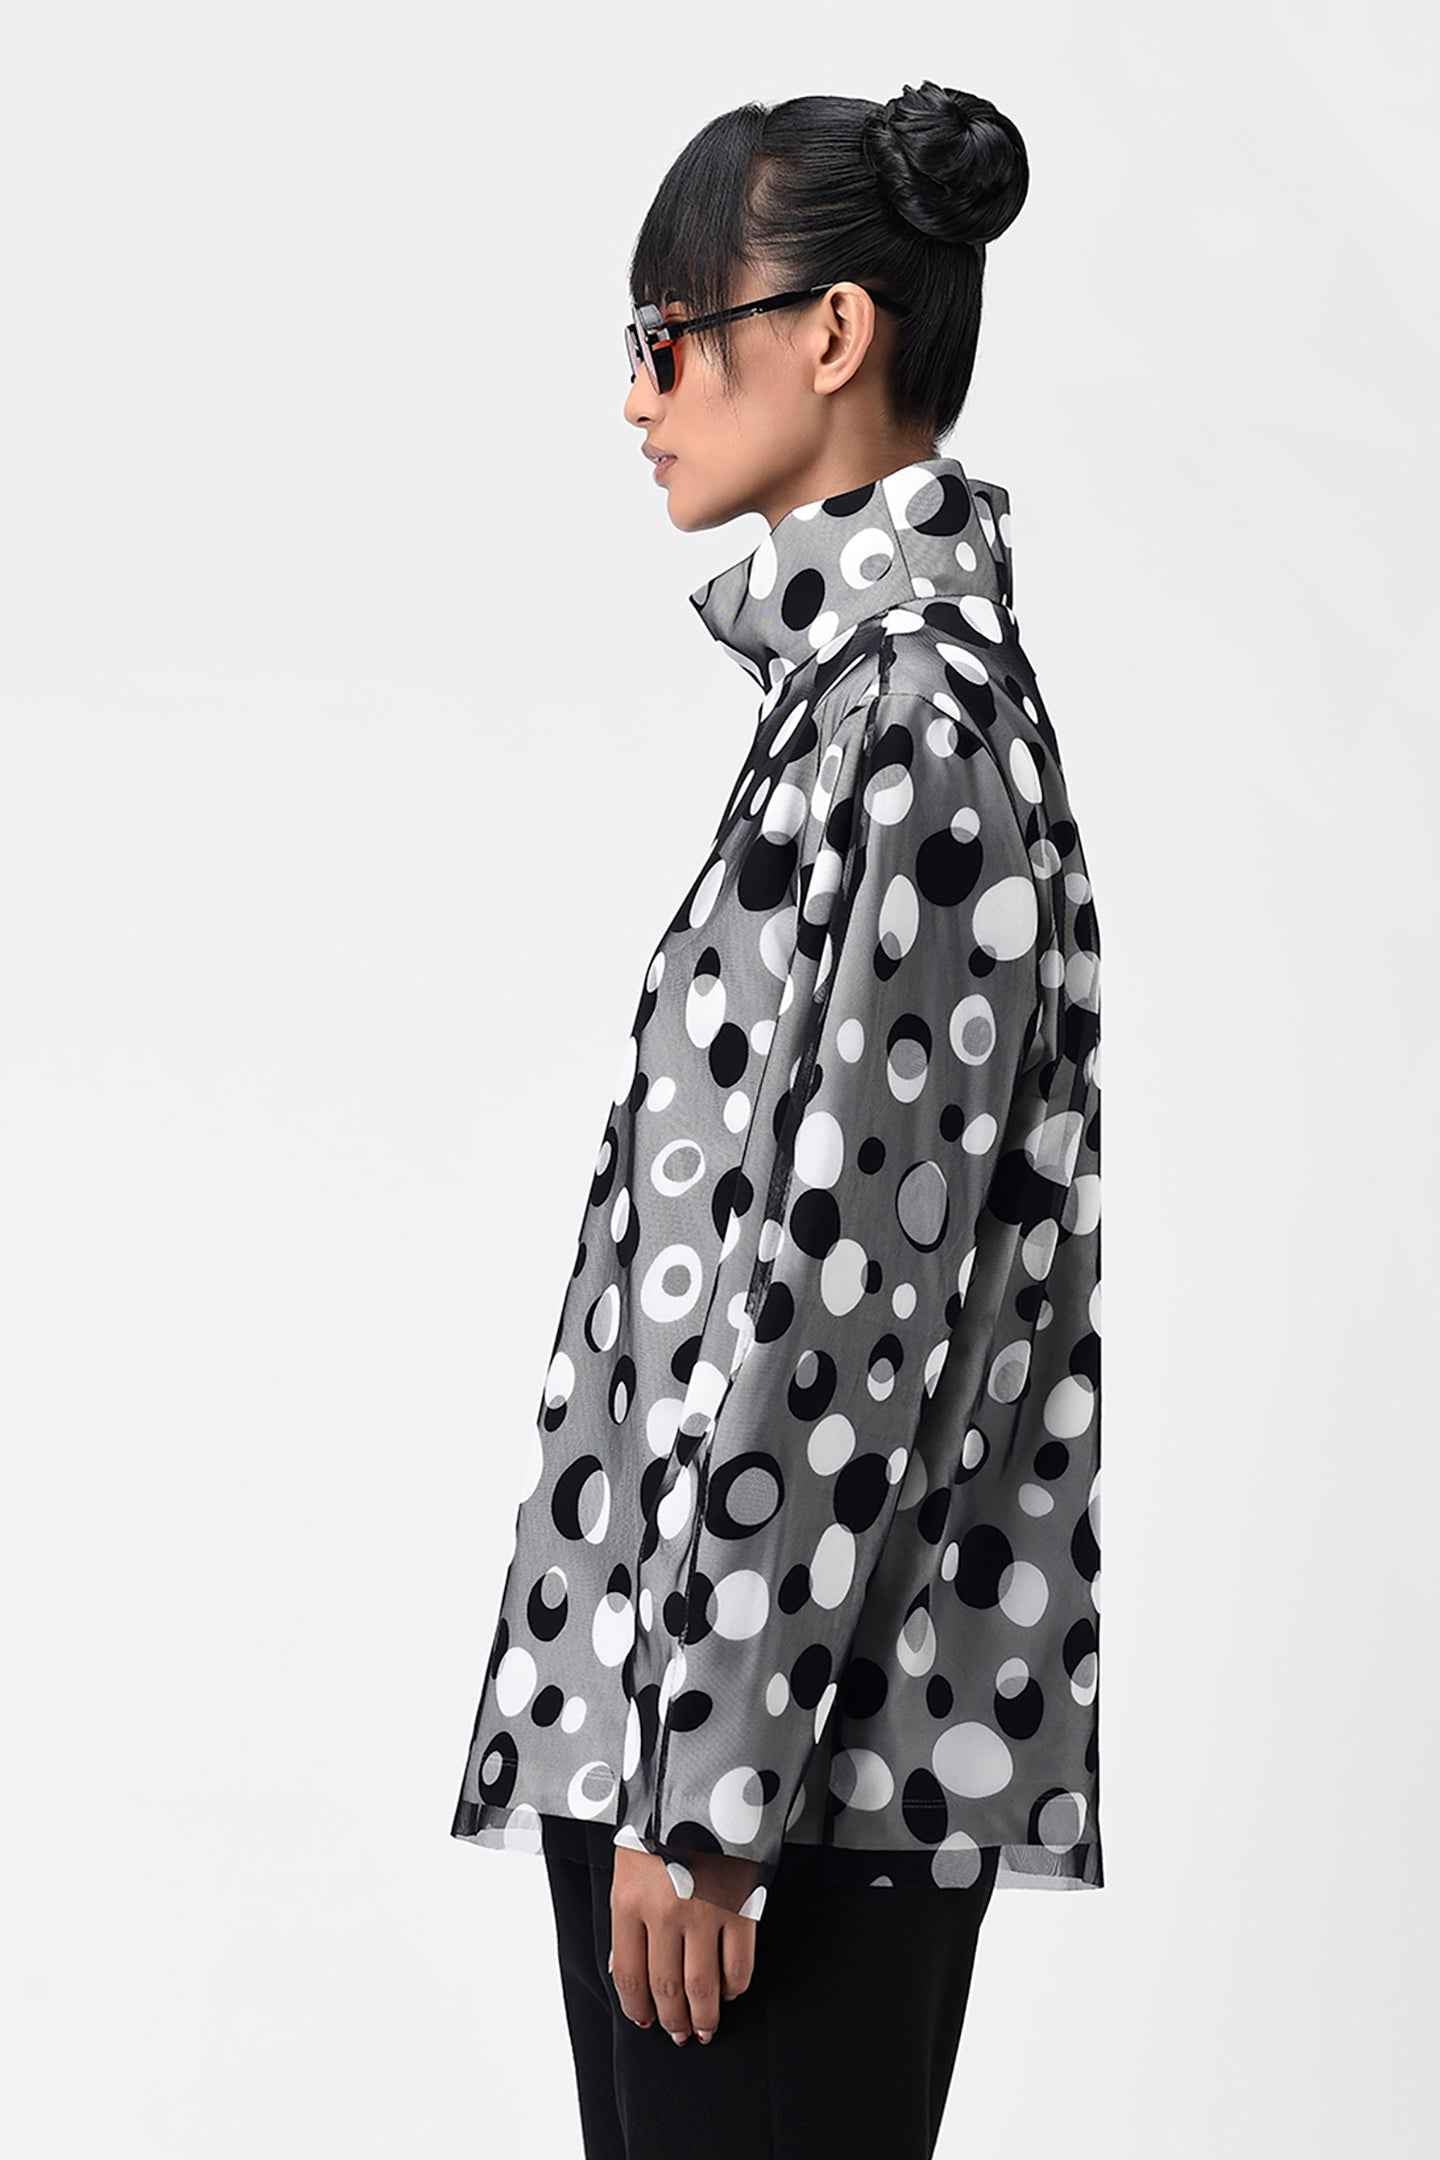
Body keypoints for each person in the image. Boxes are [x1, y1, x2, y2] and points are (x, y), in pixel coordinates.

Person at [451, 78, 1104, 2158]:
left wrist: (711, 1797)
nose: (638, 394)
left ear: (829, 335)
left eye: (671, 333)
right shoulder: (856, 708)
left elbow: (847, 1304)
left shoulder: (916, 722)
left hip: (776, 1785)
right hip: (708, 1738)